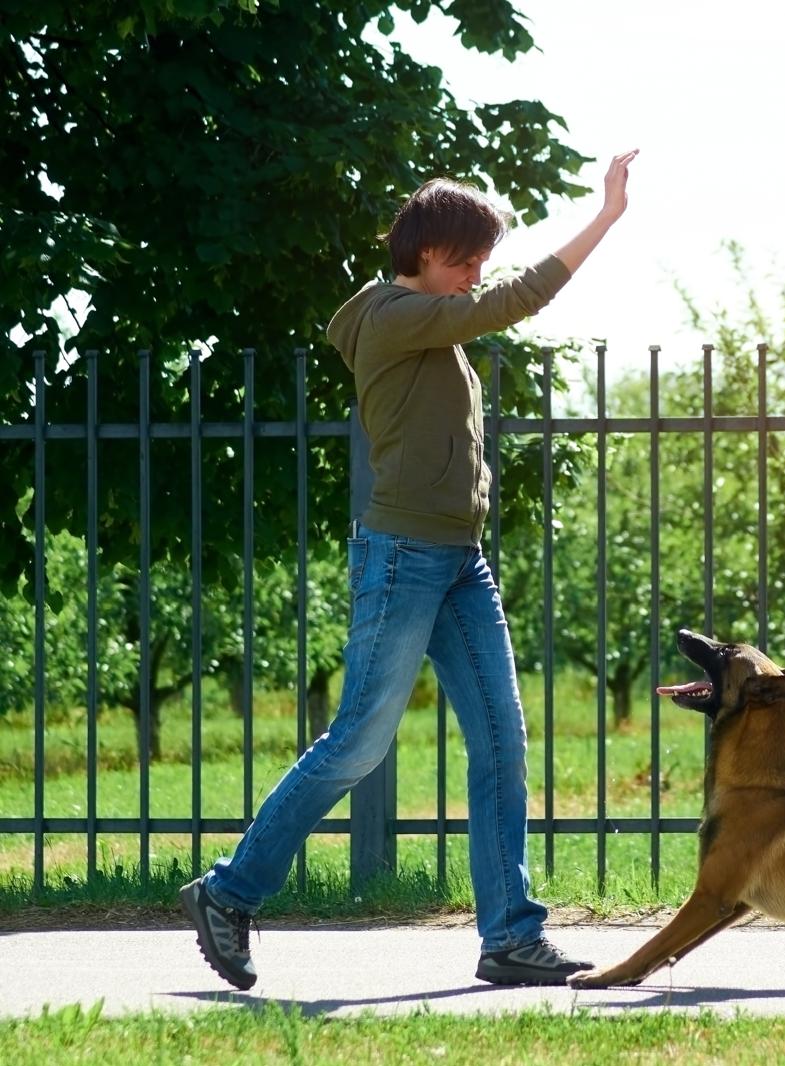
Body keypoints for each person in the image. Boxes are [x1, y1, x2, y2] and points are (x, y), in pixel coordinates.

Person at [180, 151, 638, 990]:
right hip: (403, 557)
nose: (476, 275)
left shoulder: (429, 320)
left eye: (481, 261)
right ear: (422, 252)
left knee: (502, 742)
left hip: (460, 560)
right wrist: (604, 217)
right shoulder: (394, 315)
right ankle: (229, 892)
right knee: (356, 743)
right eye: (464, 260)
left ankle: (510, 935)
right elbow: (518, 300)